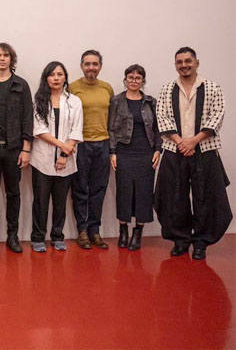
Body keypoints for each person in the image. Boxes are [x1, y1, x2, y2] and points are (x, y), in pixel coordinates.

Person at [155, 47, 232, 260]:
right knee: (173, 197)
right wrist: (181, 142)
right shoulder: (167, 89)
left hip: (204, 149)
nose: (184, 65)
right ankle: (180, 240)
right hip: (174, 149)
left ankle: (201, 242)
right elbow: (162, 117)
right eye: (179, 62)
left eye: (188, 61)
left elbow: (217, 117)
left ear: (197, 63)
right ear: (175, 65)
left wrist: (193, 141)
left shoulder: (212, 88)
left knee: (206, 197)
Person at [0, 42, 33, 254]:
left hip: (14, 149)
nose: (2, 59)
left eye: (6, 55)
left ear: (11, 59)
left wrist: (26, 148)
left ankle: (13, 236)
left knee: (13, 194)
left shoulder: (21, 85)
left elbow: (28, 117)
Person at [29, 62, 83, 252]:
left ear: (65, 77)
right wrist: (62, 146)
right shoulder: (39, 101)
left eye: (60, 74)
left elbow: (76, 130)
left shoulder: (74, 101)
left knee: (60, 202)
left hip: (66, 160)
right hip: (41, 159)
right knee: (40, 201)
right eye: (52, 74)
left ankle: (57, 236)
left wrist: (64, 154)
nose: (56, 78)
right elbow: (39, 130)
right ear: (46, 78)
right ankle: (37, 237)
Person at [108, 65, 162, 251]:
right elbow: (111, 129)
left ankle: (138, 232)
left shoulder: (150, 102)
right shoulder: (116, 101)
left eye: (138, 78)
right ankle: (123, 230)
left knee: (144, 193)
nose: (134, 81)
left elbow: (157, 128)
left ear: (143, 81)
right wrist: (113, 152)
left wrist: (158, 150)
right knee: (124, 192)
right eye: (130, 77)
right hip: (124, 153)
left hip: (146, 153)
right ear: (125, 80)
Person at [68, 49, 114, 249]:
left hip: (103, 144)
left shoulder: (107, 88)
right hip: (81, 145)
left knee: (98, 189)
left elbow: (112, 118)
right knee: (80, 190)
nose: (91, 67)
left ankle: (95, 230)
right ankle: (82, 231)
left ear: (100, 66)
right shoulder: (73, 88)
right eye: (87, 64)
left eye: (95, 64)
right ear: (82, 66)